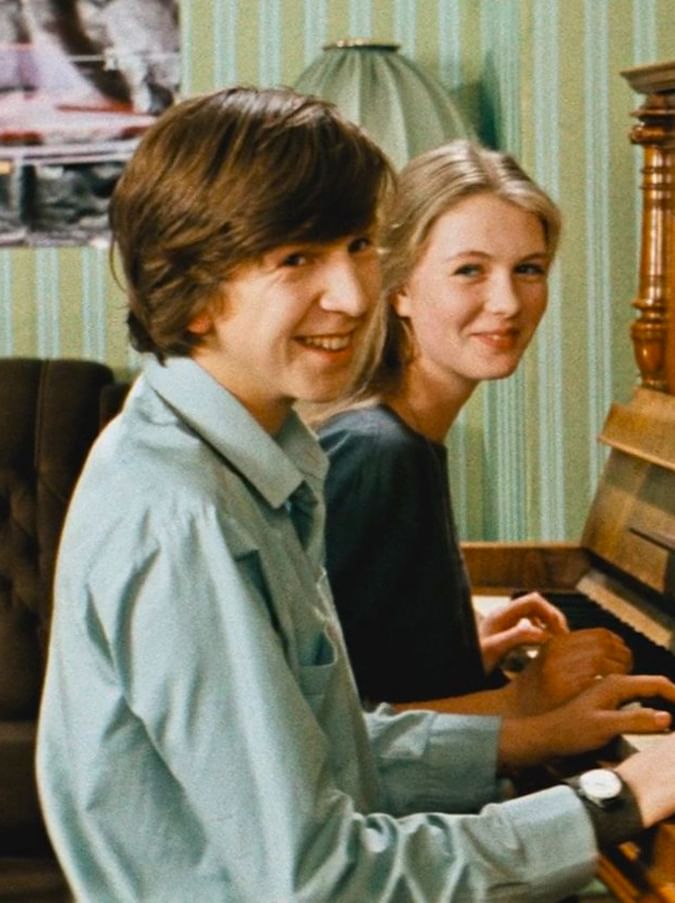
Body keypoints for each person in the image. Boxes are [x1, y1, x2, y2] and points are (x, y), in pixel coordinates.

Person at [36, 86, 675, 902]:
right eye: (295, 258)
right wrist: (612, 797)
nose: (353, 293)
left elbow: (320, 751)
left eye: (359, 244)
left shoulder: (246, 461)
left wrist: (520, 737)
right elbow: (320, 877)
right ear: (191, 287)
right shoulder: (185, 513)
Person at [317, 139, 631, 718]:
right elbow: (334, 730)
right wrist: (523, 703)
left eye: (528, 270)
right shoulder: (375, 452)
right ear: (400, 289)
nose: (507, 302)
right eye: (470, 271)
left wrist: (464, 652)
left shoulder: (406, 440)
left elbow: (370, 669)